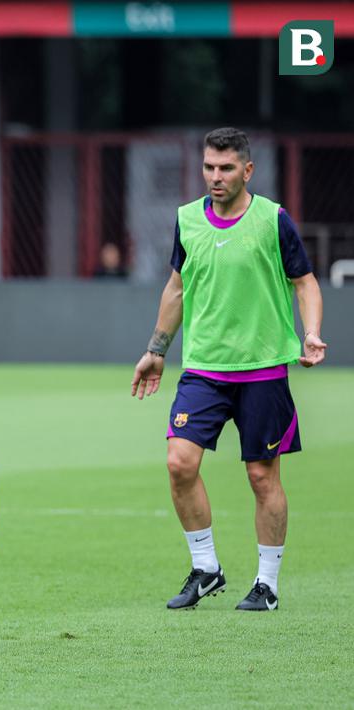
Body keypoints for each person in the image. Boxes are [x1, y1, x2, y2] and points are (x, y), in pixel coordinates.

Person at [131, 127, 326, 612]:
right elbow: (177, 287)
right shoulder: (187, 220)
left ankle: (267, 584)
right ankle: (206, 569)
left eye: (225, 168)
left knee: (262, 477)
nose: (215, 177)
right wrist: (157, 348)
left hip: (262, 369)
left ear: (247, 170)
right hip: (203, 368)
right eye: (208, 167)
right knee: (179, 463)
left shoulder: (273, 220)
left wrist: (311, 332)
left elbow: (305, 282)